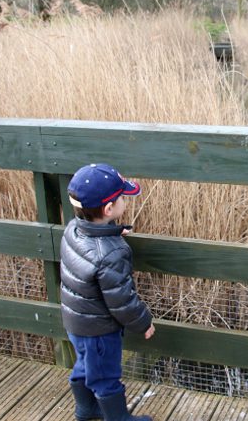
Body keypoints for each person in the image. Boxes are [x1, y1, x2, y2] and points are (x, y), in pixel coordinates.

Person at [60, 163, 155, 421]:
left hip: (75, 322)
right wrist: (143, 321)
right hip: (99, 331)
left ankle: (85, 408)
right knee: (105, 376)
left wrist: (112, 231)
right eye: (122, 197)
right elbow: (121, 300)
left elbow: (93, 249)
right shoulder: (111, 253)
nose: (125, 200)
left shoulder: (73, 229)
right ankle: (118, 418)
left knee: (84, 364)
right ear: (109, 209)